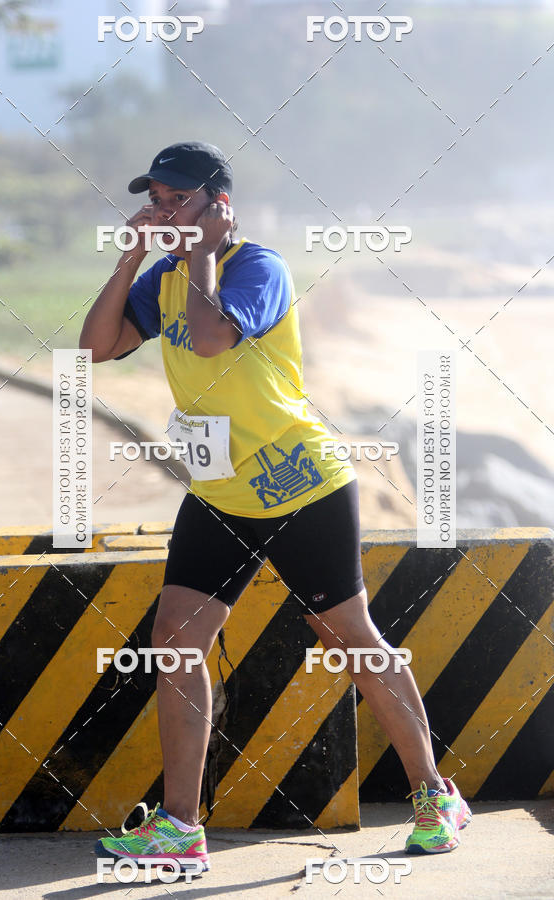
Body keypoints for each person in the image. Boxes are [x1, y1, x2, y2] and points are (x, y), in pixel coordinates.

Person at [80, 141, 471, 875]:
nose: (162, 213)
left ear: (219, 205)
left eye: (177, 200)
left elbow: (210, 336)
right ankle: (179, 828)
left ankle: (434, 794)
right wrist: (129, 259)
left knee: (350, 636)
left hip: (301, 487)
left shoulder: (259, 267)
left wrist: (201, 254)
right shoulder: (159, 276)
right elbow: (95, 348)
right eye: (155, 201)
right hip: (220, 493)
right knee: (175, 639)